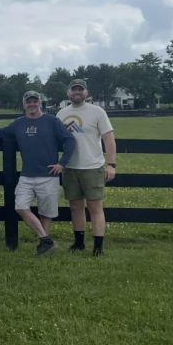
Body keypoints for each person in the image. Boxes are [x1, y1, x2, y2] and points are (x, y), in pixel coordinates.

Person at [0, 91, 76, 255]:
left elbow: (69, 139)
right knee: (20, 206)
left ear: (40, 103)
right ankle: (45, 240)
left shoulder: (52, 121)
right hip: (27, 175)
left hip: (48, 175)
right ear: (24, 104)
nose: (32, 104)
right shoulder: (19, 123)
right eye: (29, 102)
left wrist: (62, 163)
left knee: (46, 213)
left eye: (35, 101)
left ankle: (44, 247)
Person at [56, 78, 117, 256]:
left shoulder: (97, 112)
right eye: (74, 90)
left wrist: (111, 164)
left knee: (95, 206)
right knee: (75, 206)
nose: (77, 93)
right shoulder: (61, 114)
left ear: (86, 93)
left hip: (92, 166)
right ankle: (79, 242)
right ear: (68, 93)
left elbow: (109, 139)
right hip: (70, 167)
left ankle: (98, 246)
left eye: (80, 90)